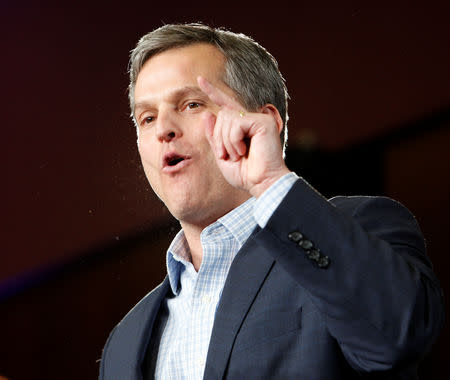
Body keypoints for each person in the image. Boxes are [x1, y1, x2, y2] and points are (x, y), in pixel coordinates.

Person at [99, 23, 444, 379]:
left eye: (190, 104)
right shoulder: (125, 343)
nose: (162, 129)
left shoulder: (359, 226)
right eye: (148, 117)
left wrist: (270, 182)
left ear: (264, 123)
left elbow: (399, 335)